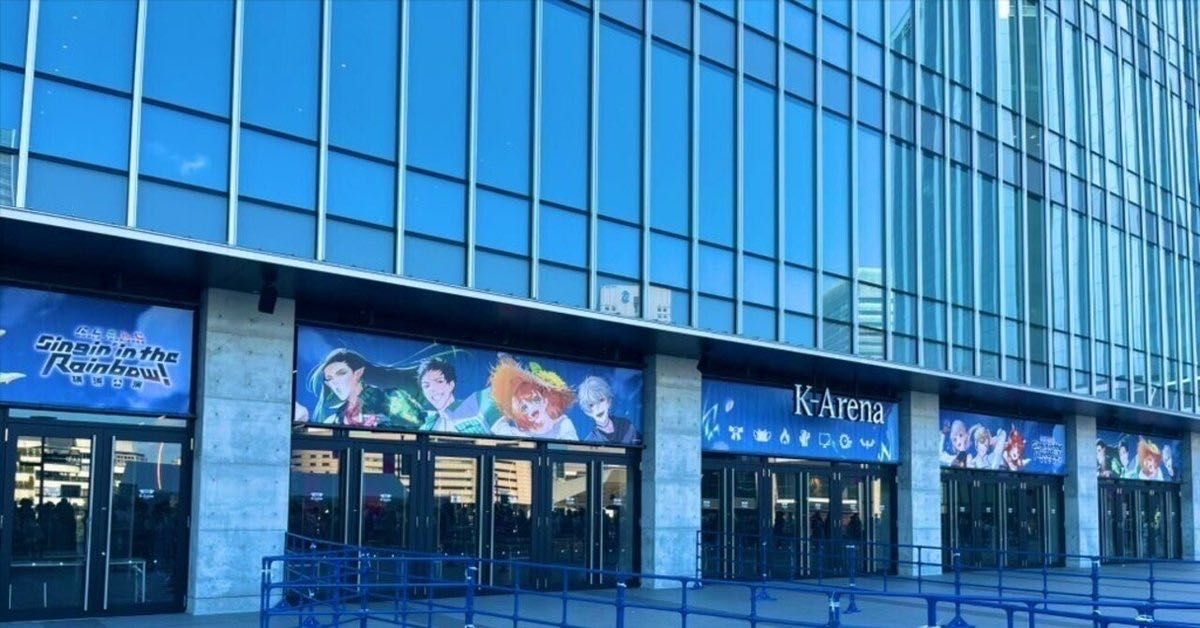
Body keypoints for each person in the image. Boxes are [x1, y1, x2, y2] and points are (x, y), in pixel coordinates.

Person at [298, 348, 424, 429]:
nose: (335, 382)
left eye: (341, 373)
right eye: (329, 379)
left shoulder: (390, 398)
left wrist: (384, 423)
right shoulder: (335, 419)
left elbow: (419, 424)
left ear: (358, 373)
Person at [488, 355, 579, 440]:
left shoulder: (562, 425)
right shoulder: (513, 432)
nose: (532, 408)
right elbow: (496, 429)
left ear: (545, 399)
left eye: (535, 400)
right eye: (524, 408)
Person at [415, 358, 493, 435]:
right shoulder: (425, 428)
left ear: (451, 385)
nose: (432, 389)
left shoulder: (476, 404)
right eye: (426, 386)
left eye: (439, 381)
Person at [577, 375, 638, 444]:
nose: (598, 408)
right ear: (587, 412)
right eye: (592, 405)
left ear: (609, 401)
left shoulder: (626, 425)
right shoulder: (589, 441)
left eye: (601, 400)